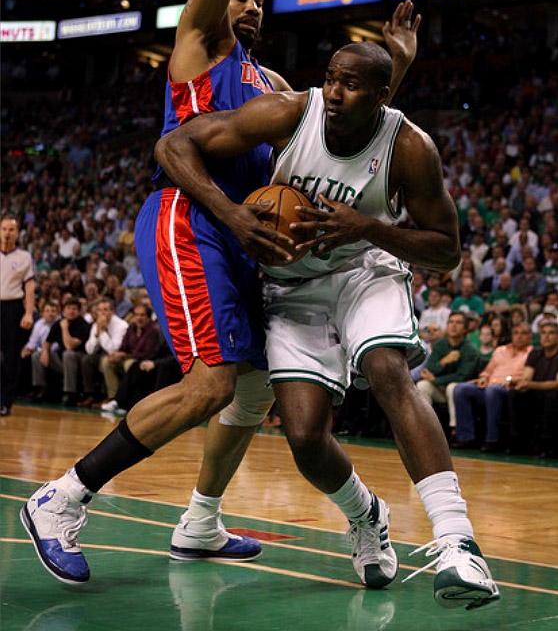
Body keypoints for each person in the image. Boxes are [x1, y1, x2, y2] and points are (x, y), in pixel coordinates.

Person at [21, 0, 415, 586]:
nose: (249, 3)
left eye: (258, 0)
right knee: (209, 383)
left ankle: (201, 520)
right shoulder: (200, 45)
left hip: (246, 235)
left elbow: (339, 137)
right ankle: (60, 498)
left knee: (257, 383)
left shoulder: (272, 82)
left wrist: (399, 63)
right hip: (191, 214)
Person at [152, 39, 499, 609]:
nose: (335, 94)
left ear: (382, 95)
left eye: (353, 85)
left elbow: (447, 250)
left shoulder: (411, 147)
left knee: (388, 371)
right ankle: (367, 515)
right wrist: (233, 214)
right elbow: (173, 145)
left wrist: (366, 227)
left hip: (366, 268)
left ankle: (459, 543)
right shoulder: (292, 112)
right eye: (332, 79)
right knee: (306, 435)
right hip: (293, 285)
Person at [452, 322, 532, 452]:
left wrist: (511, 380)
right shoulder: (500, 350)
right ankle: (465, 437)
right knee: (460, 389)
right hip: (489, 386)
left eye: (523, 333)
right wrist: (483, 377)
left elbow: (528, 376)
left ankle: (492, 440)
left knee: (492, 391)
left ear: (530, 337)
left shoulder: (531, 353)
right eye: (516, 333)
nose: (519, 336)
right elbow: (488, 370)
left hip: (509, 390)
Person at [415, 311, 481, 437]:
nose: (453, 326)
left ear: (465, 329)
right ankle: (425, 428)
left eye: (458, 323)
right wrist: (444, 361)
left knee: (453, 387)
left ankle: (455, 430)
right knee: (423, 385)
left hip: (462, 391)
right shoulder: (440, 344)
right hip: (441, 389)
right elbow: (429, 368)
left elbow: (462, 377)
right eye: (451, 322)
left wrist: (436, 380)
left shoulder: (470, 349)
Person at [506, 319, 558, 456]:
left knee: (552, 397)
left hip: (554, 394)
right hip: (538, 392)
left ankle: (547, 445)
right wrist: (519, 383)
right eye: (543, 333)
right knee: (514, 395)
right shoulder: (535, 353)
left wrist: (529, 384)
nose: (546, 336)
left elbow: (556, 384)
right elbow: (527, 377)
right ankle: (518, 441)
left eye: (551, 333)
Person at [1, 214, 35, 415]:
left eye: (11, 229)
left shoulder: (24, 257)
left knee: (11, 357)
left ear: (17, 232)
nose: (7, 233)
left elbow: (29, 288)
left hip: (13, 308)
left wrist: (29, 313)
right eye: (4, 229)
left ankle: (5, 401)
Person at [33, 296, 91, 406]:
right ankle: (41, 389)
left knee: (68, 354)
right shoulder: (58, 323)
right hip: (62, 362)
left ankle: (70, 393)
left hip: (78, 360)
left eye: (74, 309)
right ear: (64, 310)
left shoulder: (83, 325)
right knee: (37, 355)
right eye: (68, 308)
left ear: (79, 311)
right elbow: (47, 342)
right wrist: (45, 351)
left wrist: (64, 328)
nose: (71, 311)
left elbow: (70, 346)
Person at [98, 302, 160, 404]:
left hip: (144, 362)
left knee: (130, 364)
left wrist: (125, 356)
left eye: (142, 315)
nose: (139, 318)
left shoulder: (153, 330)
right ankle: (114, 398)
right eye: (136, 315)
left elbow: (148, 354)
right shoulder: (132, 327)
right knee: (106, 361)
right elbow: (124, 346)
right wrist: (117, 355)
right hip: (128, 357)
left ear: (148, 317)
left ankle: (127, 400)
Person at [79, 297, 128, 406]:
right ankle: (90, 395)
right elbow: (89, 350)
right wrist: (97, 332)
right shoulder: (97, 324)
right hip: (102, 355)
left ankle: (110, 398)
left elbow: (113, 350)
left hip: (119, 356)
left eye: (105, 309)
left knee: (105, 360)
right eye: (100, 310)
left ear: (112, 311)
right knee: (86, 360)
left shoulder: (121, 326)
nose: (102, 313)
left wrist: (102, 331)